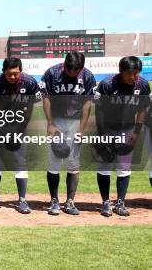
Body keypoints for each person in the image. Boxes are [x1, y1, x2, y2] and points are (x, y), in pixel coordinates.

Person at [0, 57, 41, 214]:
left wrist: (20, 131)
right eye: (10, 74)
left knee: (19, 161)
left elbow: (30, 108)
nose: (13, 77)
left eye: (16, 74)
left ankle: (22, 200)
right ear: (3, 72)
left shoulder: (29, 83)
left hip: (19, 125)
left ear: (20, 71)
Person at [40, 51, 95, 216]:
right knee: (54, 162)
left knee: (73, 164)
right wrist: (50, 124)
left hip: (75, 122)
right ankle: (54, 201)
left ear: (81, 68)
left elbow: (87, 103)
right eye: (70, 71)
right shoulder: (51, 73)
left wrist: (82, 129)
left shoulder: (87, 76)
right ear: (64, 65)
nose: (73, 74)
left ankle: (70, 201)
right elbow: (46, 98)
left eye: (76, 71)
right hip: (56, 120)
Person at [94, 56, 150, 217]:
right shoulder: (106, 85)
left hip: (128, 130)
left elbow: (142, 110)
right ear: (121, 72)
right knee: (105, 166)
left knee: (124, 168)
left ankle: (120, 203)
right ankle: (105, 202)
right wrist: (102, 134)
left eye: (136, 73)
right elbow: (99, 110)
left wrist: (136, 132)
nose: (133, 77)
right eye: (129, 73)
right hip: (108, 129)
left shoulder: (143, 85)